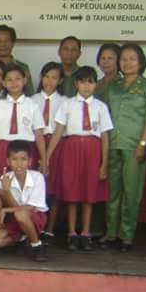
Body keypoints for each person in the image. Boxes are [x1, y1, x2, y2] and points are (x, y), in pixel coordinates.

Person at [102, 43, 146, 252]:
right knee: (113, 191)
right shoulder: (113, 87)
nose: (127, 63)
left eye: (132, 59)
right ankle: (111, 233)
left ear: (141, 62)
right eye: (123, 59)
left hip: (134, 146)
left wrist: (142, 144)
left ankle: (126, 236)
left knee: (131, 191)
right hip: (113, 144)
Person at [47, 66, 113, 252]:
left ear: (95, 84)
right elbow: (59, 131)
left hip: (93, 151)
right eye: (82, 81)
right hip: (71, 149)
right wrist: (48, 156)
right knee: (72, 193)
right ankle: (71, 233)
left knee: (88, 194)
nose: (86, 86)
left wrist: (104, 164)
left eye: (90, 82)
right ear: (76, 83)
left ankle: (85, 232)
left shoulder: (101, 107)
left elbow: (105, 137)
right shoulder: (67, 104)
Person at [0, 141, 48, 262]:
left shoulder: (37, 177)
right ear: (8, 161)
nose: (19, 164)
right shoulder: (4, 179)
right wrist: (5, 191)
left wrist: (5, 209)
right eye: (14, 159)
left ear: (30, 161)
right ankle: (22, 239)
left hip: (35, 218)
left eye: (23, 159)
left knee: (20, 214)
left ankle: (36, 245)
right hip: (15, 219)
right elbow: (14, 206)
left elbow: (31, 208)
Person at [0, 63, 46, 175]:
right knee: (4, 182)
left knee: (26, 182)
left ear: (24, 80)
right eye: (9, 80)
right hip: (4, 149)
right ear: (4, 83)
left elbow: (39, 134)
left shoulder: (33, 105)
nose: (14, 83)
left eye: (17, 79)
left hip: (27, 148)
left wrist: (43, 158)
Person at [31, 62, 66, 241]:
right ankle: (34, 226)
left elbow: (60, 130)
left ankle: (50, 228)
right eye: (46, 76)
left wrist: (48, 156)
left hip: (56, 144)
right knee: (35, 187)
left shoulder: (65, 102)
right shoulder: (32, 100)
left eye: (54, 78)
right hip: (35, 145)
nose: (49, 81)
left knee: (53, 188)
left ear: (60, 80)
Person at [0, 25, 34, 95]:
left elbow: (29, 94)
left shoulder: (23, 67)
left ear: (13, 43)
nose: (3, 44)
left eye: (7, 40)